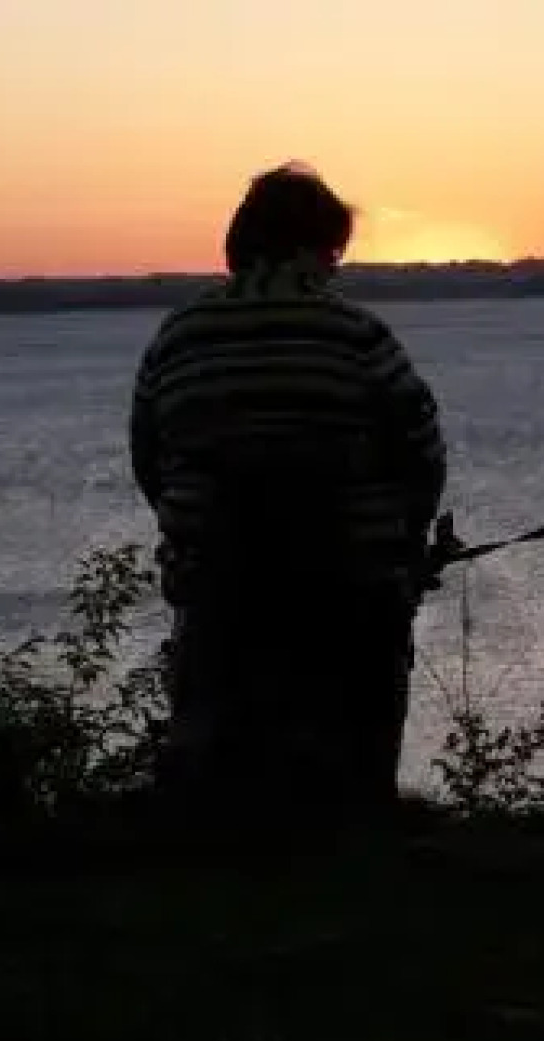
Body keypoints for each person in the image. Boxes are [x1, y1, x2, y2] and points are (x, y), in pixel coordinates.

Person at [130, 163, 447, 829]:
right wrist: (409, 542)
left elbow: (149, 457)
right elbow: (420, 445)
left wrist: (191, 530)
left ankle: (213, 838)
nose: (334, 269)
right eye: (333, 254)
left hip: (215, 579)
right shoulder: (355, 333)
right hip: (346, 577)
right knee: (358, 732)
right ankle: (358, 830)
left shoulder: (178, 335)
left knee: (215, 737)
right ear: (315, 247)